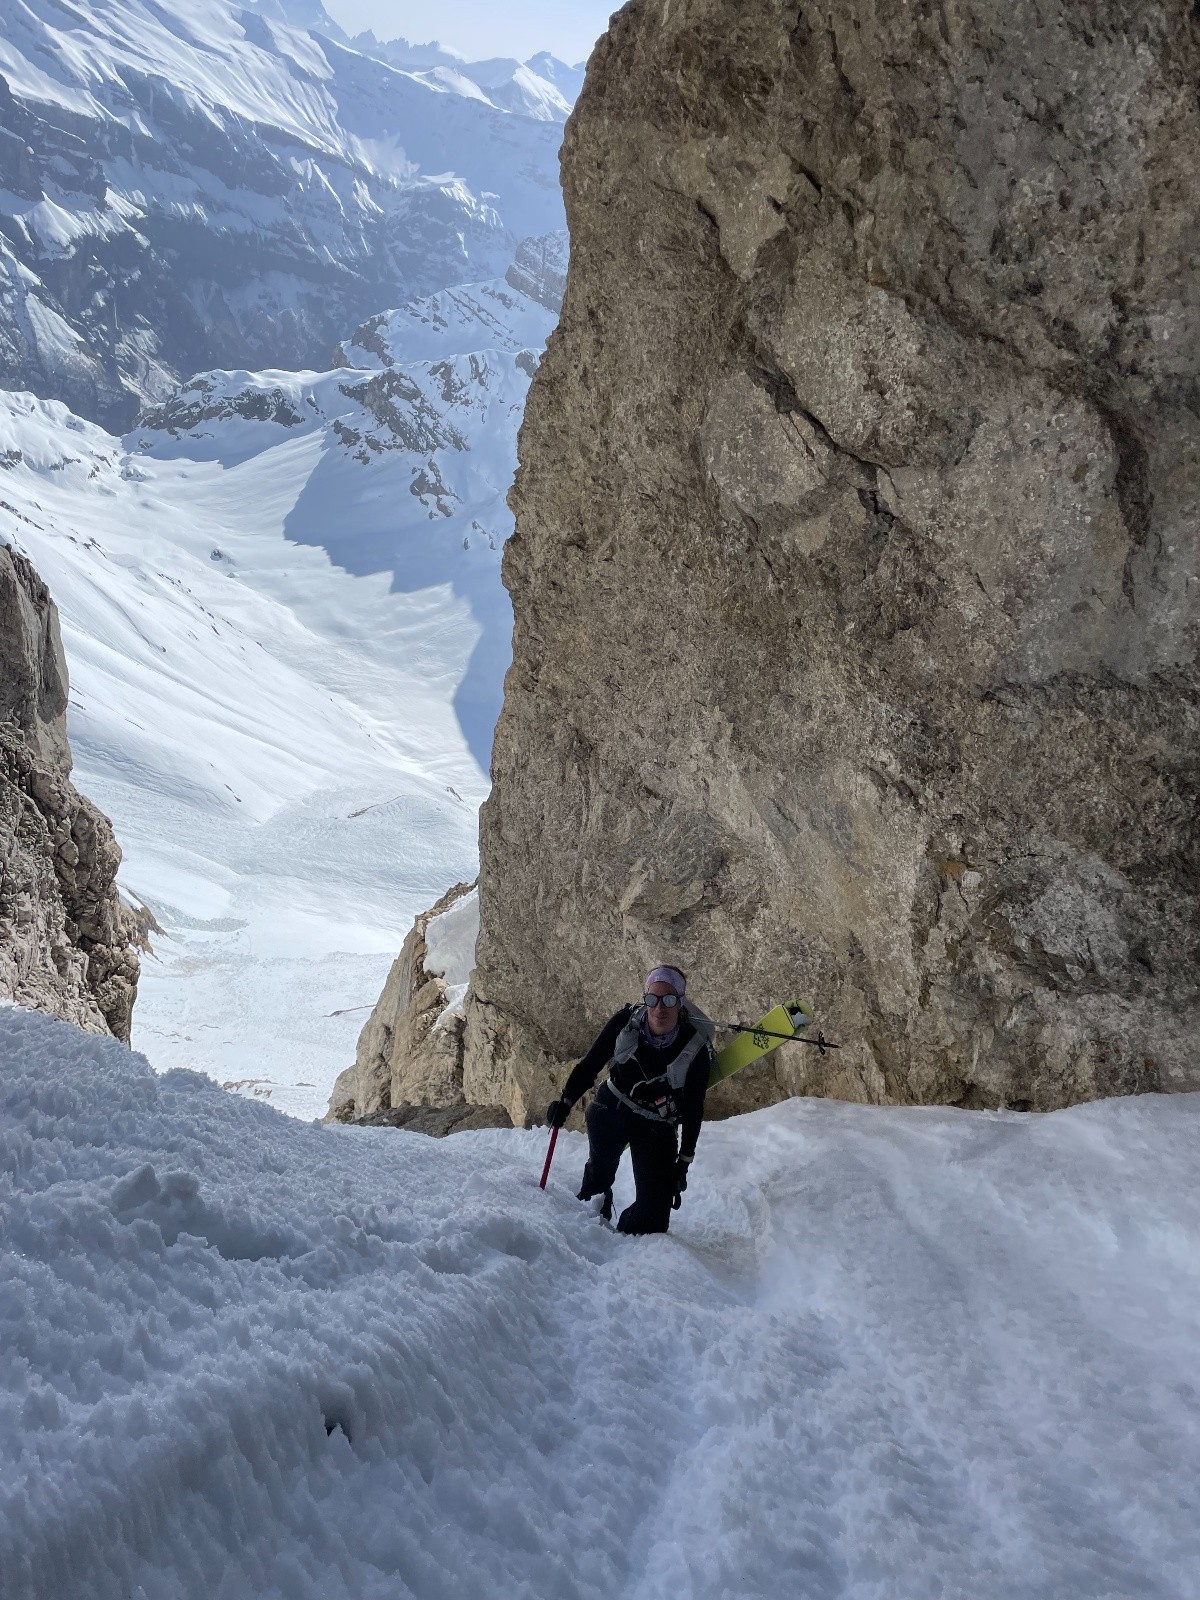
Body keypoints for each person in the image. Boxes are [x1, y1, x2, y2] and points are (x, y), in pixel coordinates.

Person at [544, 965, 715, 1235]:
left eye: (669, 999)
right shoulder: (626, 1022)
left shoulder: (694, 1047)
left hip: (656, 1123)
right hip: (612, 1106)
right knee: (598, 1178)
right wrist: (565, 1101)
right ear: (645, 998)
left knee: (653, 1222)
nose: (660, 1008)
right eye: (653, 999)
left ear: (681, 1002)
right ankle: (593, 1210)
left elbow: (694, 1108)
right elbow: (591, 1064)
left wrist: (683, 1162)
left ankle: (621, 1239)